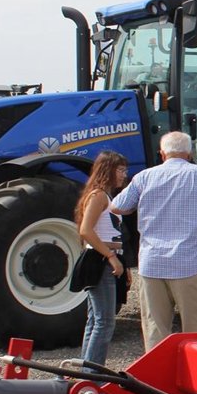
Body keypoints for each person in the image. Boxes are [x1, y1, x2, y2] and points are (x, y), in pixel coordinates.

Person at [111, 130, 197, 350]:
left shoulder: (144, 177)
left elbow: (117, 206)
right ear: (189, 154)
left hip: (152, 264)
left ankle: (156, 372)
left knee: (155, 333)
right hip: (190, 264)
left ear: (162, 154)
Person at [75, 151, 128, 367]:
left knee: (95, 320)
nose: (124, 175)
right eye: (120, 170)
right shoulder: (98, 196)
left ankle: (86, 369)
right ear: (108, 170)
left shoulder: (106, 196)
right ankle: (93, 374)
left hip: (105, 258)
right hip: (100, 260)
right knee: (105, 321)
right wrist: (110, 256)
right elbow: (86, 230)